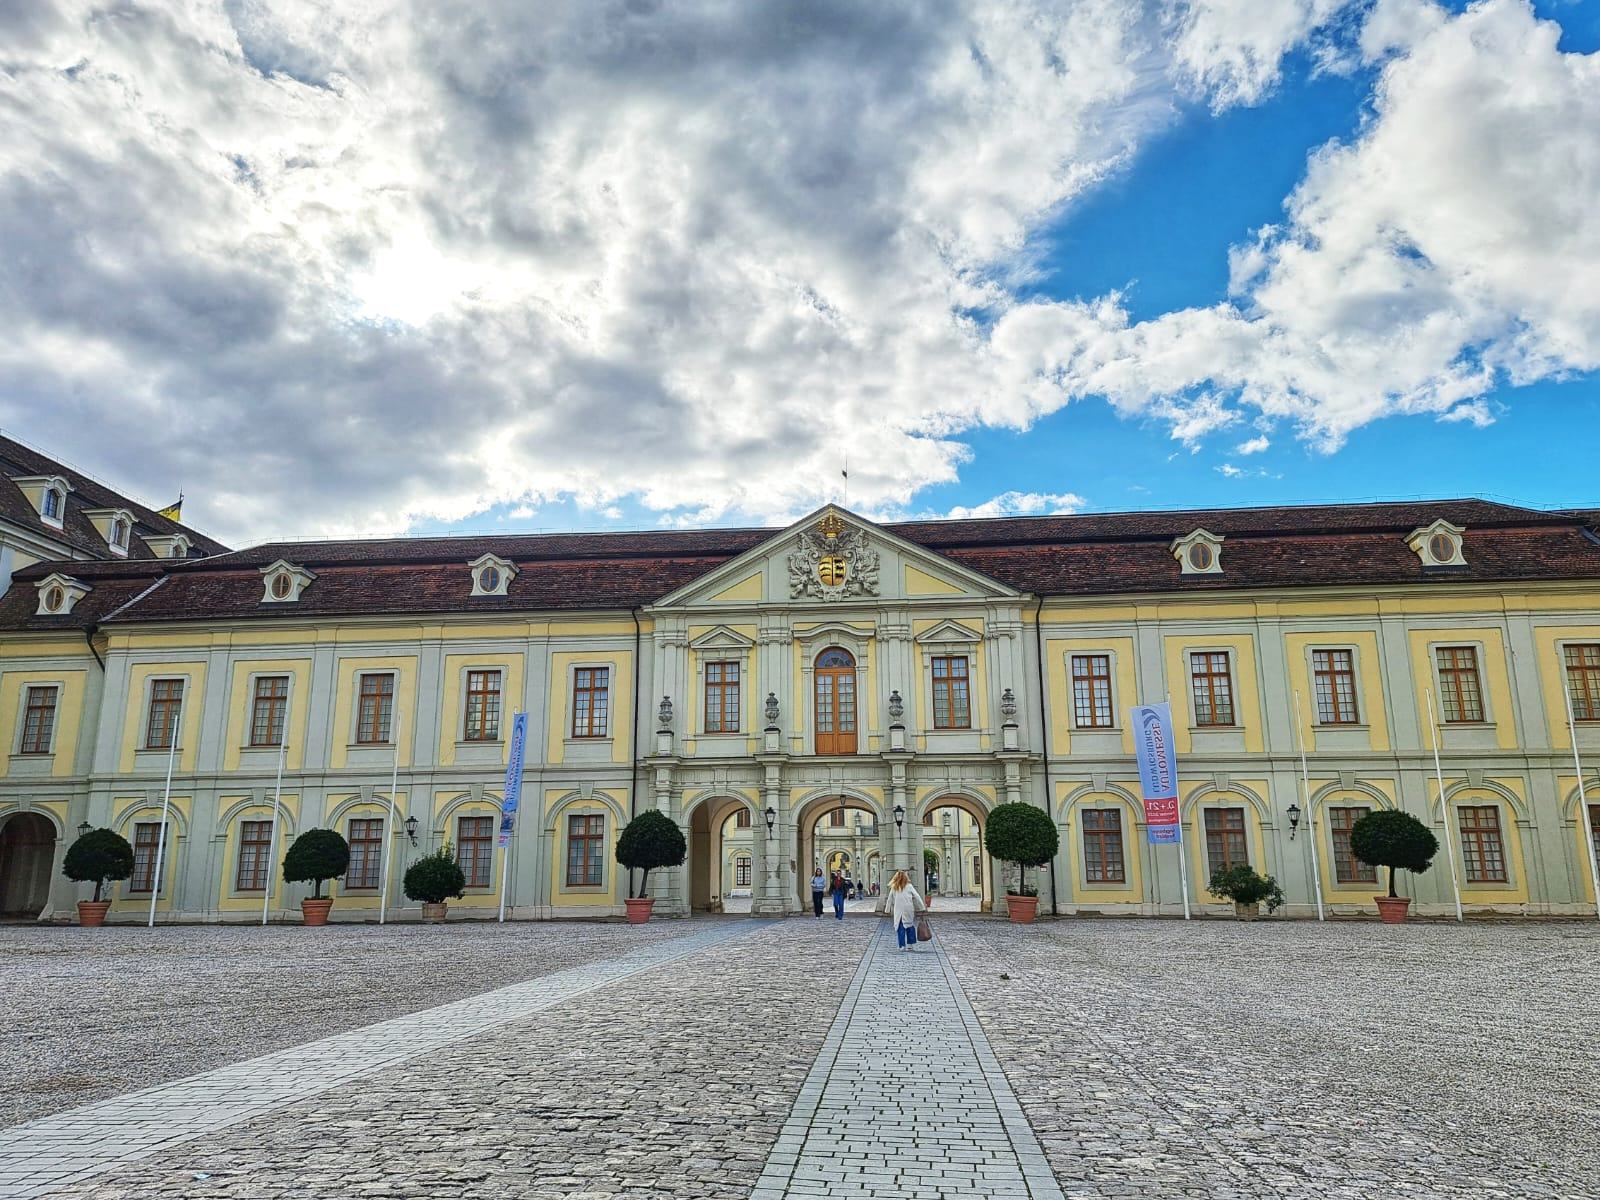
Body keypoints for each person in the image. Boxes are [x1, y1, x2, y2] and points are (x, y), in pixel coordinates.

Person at [887, 869, 924, 951]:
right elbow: (917, 896)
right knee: (909, 926)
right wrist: (922, 907)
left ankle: (902, 945)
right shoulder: (909, 886)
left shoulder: (894, 887)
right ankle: (910, 945)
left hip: (898, 909)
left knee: (900, 927)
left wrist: (887, 909)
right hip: (908, 909)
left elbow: (889, 899)